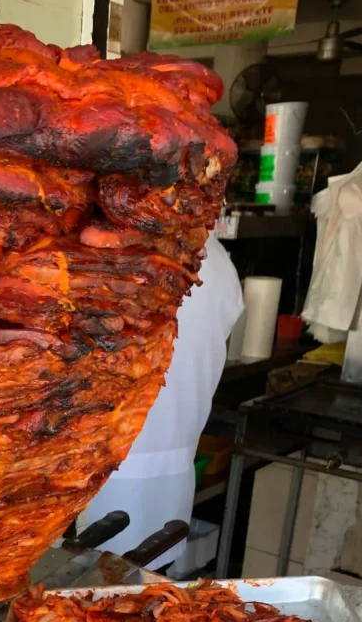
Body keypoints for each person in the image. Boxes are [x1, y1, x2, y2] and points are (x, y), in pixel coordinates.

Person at [87, 234, 244, 568]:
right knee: (145, 587)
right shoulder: (215, 257)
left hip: (88, 476)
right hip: (172, 482)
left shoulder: (109, 249)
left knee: (84, 588)